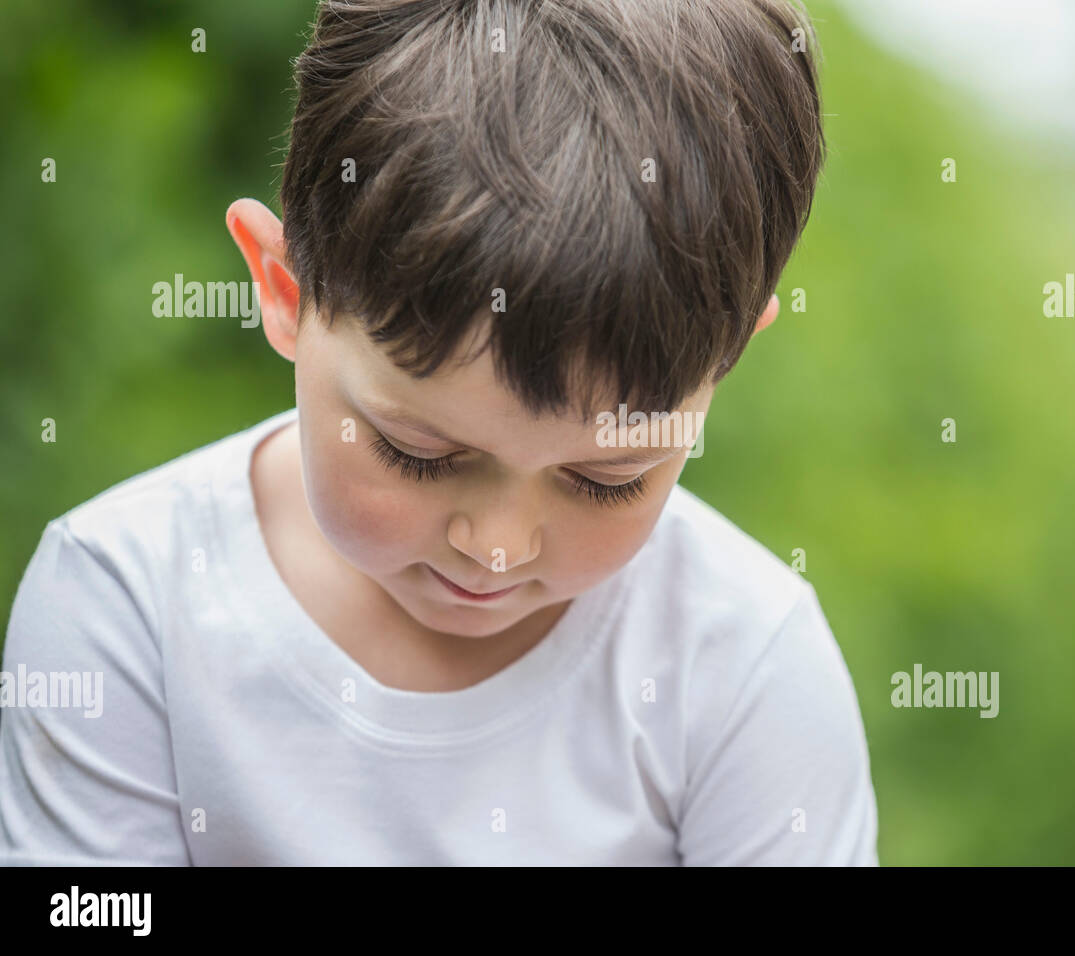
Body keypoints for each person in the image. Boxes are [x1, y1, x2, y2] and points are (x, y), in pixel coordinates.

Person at [0, 0, 877, 865]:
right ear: (282, 289)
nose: (495, 550)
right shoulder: (125, 605)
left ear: (726, 361)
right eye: (417, 453)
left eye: (608, 477)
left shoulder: (746, 667)